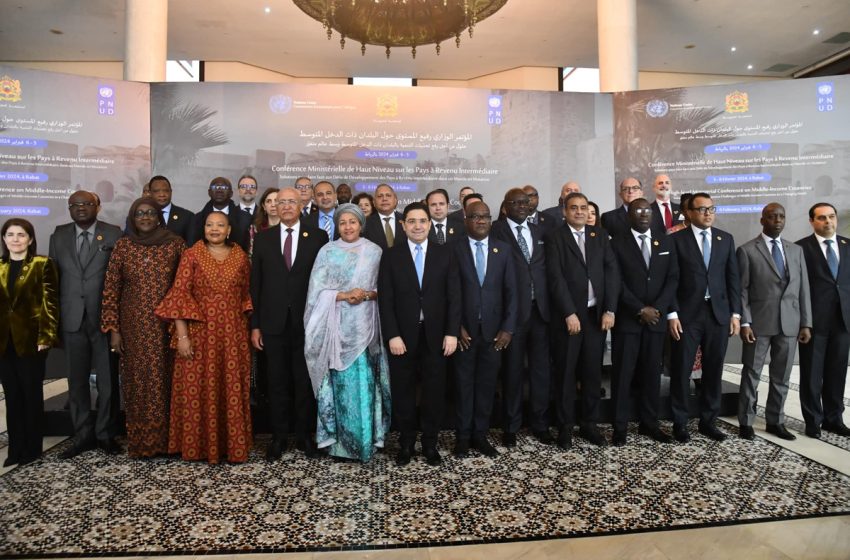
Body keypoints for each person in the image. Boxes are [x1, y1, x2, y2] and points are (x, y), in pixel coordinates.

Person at [155, 211, 253, 463]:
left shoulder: (241, 257)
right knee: (198, 390)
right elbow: (179, 297)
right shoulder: (192, 255)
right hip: (199, 335)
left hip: (232, 337)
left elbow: (246, 297)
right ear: (204, 228)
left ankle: (231, 446)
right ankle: (197, 447)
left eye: (220, 225)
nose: (214, 229)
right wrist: (182, 336)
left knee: (230, 387)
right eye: (210, 225)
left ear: (229, 230)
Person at [304, 203, 391, 462]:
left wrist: (365, 295)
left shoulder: (374, 251)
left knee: (365, 384)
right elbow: (316, 292)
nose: (348, 227)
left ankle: (366, 442)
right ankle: (339, 445)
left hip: (366, 329)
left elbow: (386, 288)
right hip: (335, 330)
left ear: (361, 225)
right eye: (342, 222)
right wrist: (343, 295)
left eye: (352, 222)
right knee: (339, 386)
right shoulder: (327, 251)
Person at [101, 198, 185, 457]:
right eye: (139, 213)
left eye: (150, 213)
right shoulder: (124, 246)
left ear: (159, 217)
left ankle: (171, 442)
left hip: (167, 327)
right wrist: (114, 329)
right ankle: (144, 443)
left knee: (167, 381)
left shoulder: (175, 244)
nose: (145, 217)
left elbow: (185, 286)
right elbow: (111, 288)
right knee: (138, 383)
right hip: (133, 328)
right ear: (132, 218)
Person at [379, 202, 460, 466]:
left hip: (436, 336)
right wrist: (392, 335)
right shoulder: (391, 256)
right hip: (402, 338)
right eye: (411, 221)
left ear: (429, 224)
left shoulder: (445, 253)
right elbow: (386, 300)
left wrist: (452, 332)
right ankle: (405, 443)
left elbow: (454, 297)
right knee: (403, 391)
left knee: (434, 392)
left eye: (422, 221)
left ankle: (430, 443)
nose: (417, 226)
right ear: (403, 225)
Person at [251, 187, 329, 460]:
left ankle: (304, 436)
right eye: (281, 202)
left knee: (304, 381)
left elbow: (325, 281)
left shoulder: (318, 237)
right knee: (276, 382)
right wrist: (255, 325)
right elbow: (256, 284)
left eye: (291, 202)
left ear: (300, 205)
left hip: (307, 323)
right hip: (272, 324)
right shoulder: (263, 238)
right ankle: (279, 437)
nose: (285, 206)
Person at [49, 190, 123, 458]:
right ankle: (82, 434)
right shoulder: (58, 236)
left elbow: (120, 278)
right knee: (76, 380)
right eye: (75, 204)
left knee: (107, 381)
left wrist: (117, 322)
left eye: (87, 203)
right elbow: (52, 281)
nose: (81, 208)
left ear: (98, 207)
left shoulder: (113, 233)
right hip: (71, 319)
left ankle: (105, 434)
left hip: (104, 319)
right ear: (69, 209)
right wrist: (54, 323)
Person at [547, 192, 619, 448]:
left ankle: (590, 424)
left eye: (583, 207)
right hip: (568, 317)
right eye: (574, 208)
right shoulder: (555, 237)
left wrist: (610, 309)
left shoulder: (599, 235)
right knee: (566, 373)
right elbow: (555, 278)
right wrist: (569, 312)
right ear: (564, 211)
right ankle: (565, 426)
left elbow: (612, 272)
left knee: (592, 373)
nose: (579, 212)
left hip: (595, 317)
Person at [668, 193, 741, 443]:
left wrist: (735, 313)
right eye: (702, 209)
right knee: (681, 370)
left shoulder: (725, 239)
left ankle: (708, 421)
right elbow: (671, 280)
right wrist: (672, 313)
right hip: (687, 315)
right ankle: (680, 423)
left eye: (711, 208)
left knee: (713, 369)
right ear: (689, 213)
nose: (708, 213)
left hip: (718, 314)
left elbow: (733, 279)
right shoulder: (676, 240)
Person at [737, 203, 811, 441]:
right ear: (762, 220)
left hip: (790, 323)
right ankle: (746, 421)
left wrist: (806, 323)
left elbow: (803, 289)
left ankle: (775, 421)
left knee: (782, 376)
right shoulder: (747, 250)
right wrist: (745, 323)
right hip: (758, 324)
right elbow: (742, 291)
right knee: (752, 373)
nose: (777, 220)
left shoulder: (796, 251)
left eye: (781, 216)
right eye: (772, 216)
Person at [609, 199, 677, 446]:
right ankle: (619, 427)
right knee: (623, 375)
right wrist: (639, 309)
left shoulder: (665, 241)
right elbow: (616, 281)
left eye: (647, 210)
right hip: (628, 321)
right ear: (629, 215)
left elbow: (673, 278)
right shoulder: (616, 242)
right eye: (638, 210)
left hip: (655, 321)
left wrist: (657, 309)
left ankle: (650, 424)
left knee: (651, 375)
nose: (643, 214)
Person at [453, 200, 517, 457]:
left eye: (485, 216)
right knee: (463, 386)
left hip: (494, 333)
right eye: (475, 216)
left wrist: (508, 329)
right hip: (464, 334)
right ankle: (462, 437)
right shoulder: (453, 249)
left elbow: (512, 292)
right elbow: (447, 293)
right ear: (465, 220)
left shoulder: (504, 250)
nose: (481, 220)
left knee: (487, 386)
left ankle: (480, 435)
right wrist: (455, 326)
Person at [491, 189, 552, 446]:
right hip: (512, 314)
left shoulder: (540, 231)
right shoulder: (495, 231)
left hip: (541, 312)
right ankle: (511, 426)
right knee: (512, 372)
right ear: (505, 206)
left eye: (525, 202)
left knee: (540, 372)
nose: (522, 206)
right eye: (515, 202)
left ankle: (540, 424)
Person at [0, 218, 58, 466]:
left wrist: (46, 336)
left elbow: (50, 303)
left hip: (32, 341)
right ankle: (15, 449)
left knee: (31, 394)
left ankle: (32, 448)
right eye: (10, 235)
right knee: (12, 396)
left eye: (21, 234)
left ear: (30, 239)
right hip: (4, 343)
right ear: (4, 239)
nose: (15, 239)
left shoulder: (42, 264)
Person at [796, 202, 850, 437]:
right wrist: (803, 322)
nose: (828, 221)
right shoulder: (800, 248)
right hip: (813, 322)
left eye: (831, 217)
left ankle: (834, 419)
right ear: (812, 221)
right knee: (811, 373)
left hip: (843, 320)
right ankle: (813, 421)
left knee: (837, 372)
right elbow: (798, 289)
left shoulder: (848, 245)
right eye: (822, 218)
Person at [190, 177, 251, 251]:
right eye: (215, 187)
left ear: (231, 193)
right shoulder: (197, 218)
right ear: (209, 192)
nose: (219, 190)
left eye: (224, 187)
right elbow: (193, 246)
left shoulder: (245, 218)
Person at [148, 175, 194, 241]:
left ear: (171, 192)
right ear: (150, 193)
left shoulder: (188, 217)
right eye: (156, 191)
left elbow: (191, 245)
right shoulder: (141, 217)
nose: (162, 194)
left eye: (166, 190)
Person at [363, 184, 406, 250]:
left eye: (388, 195)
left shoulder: (405, 220)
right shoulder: (365, 224)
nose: (384, 199)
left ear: (395, 200)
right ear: (374, 202)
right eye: (380, 196)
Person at [248, 187, 280, 257]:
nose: (273, 205)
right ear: (264, 206)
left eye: (276, 201)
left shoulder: (289, 227)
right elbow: (252, 255)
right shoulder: (255, 229)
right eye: (269, 201)